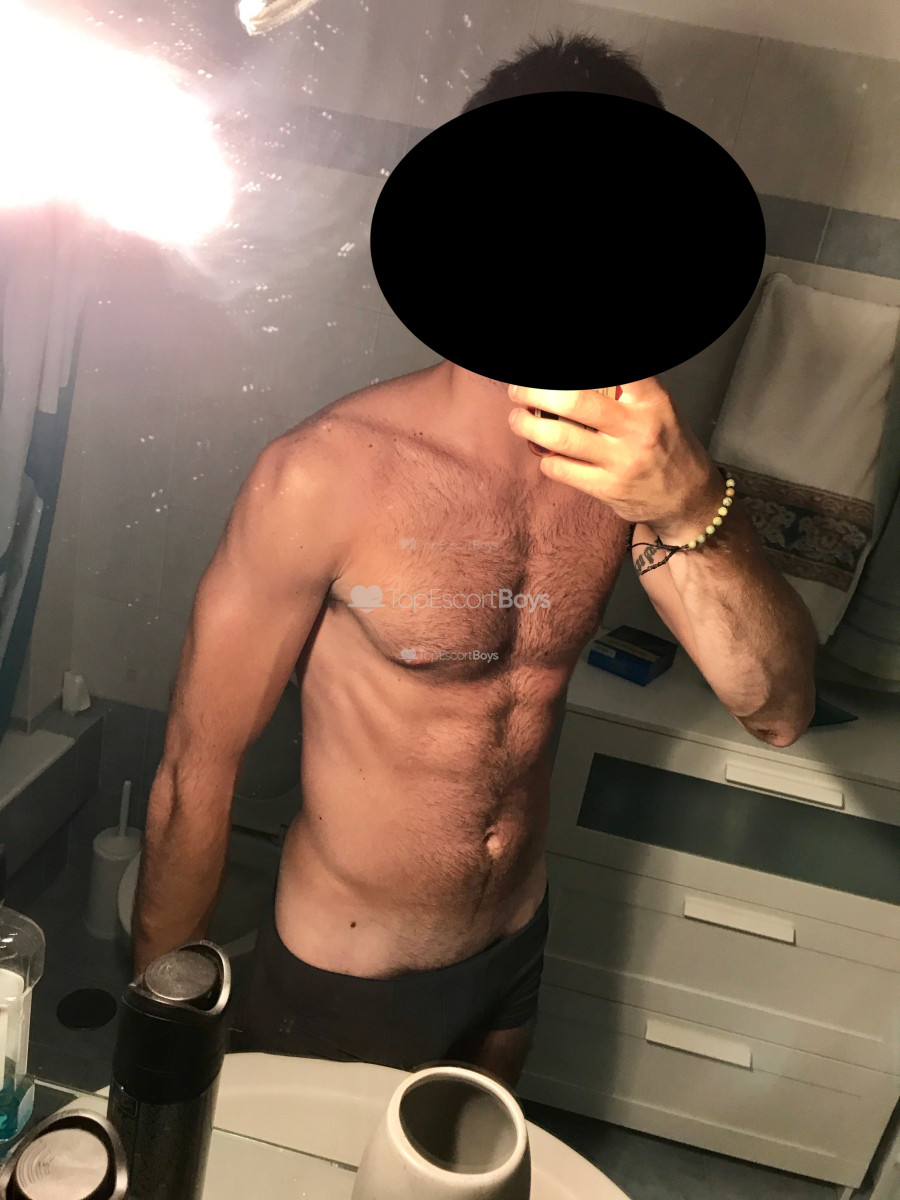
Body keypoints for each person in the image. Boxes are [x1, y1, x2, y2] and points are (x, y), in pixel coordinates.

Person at [132, 30, 818, 1089]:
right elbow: (194, 776)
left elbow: (775, 709)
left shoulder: (637, 472)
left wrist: (689, 500)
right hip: (346, 967)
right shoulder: (326, 474)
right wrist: (160, 1039)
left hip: (513, 949)